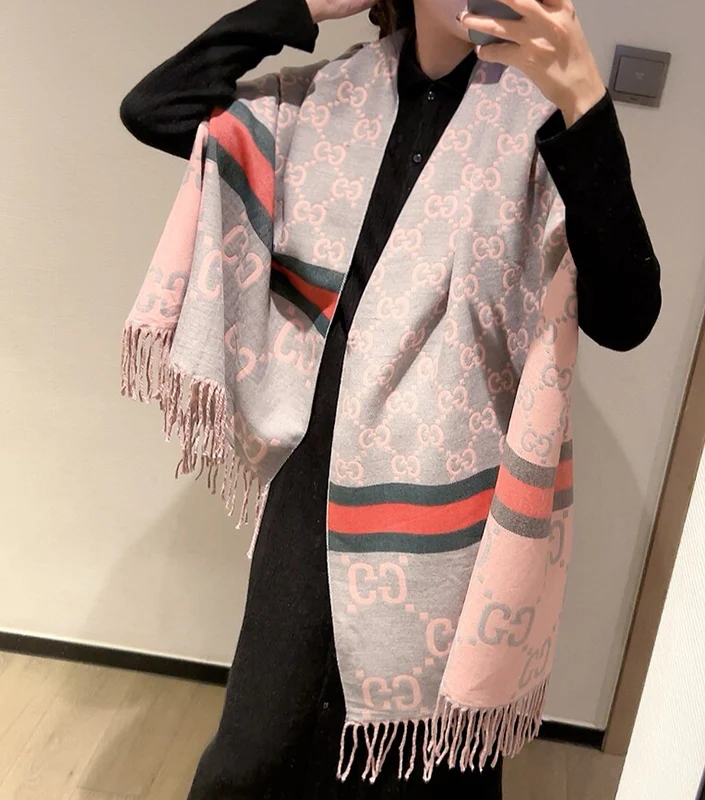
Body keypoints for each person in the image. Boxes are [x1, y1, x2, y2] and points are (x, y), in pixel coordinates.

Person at [120, 0, 661, 797]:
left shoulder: (542, 124)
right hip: (314, 470)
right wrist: (304, 4)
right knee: (256, 753)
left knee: (426, 764)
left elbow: (627, 314)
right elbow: (156, 108)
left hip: (451, 490)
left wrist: (582, 96)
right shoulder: (328, 98)